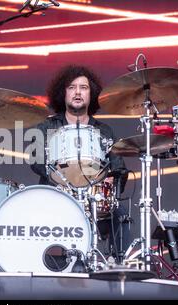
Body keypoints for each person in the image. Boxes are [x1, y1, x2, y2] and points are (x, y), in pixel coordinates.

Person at [30, 64, 130, 261]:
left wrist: (110, 180)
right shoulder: (46, 126)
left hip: (94, 199)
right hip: (55, 196)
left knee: (120, 211)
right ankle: (45, 262)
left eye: (83, 88)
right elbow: (36, 161)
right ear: (63, 93)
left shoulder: (104, 131)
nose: (77, 92)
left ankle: (119, 265)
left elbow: (119, 168)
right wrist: (61, 175)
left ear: (91, 94)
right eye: (71, 87)